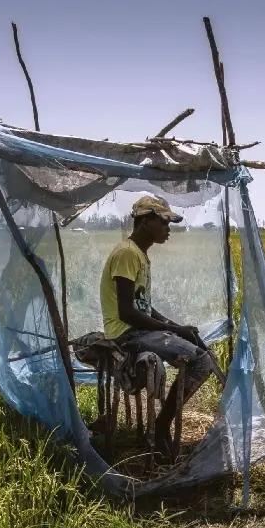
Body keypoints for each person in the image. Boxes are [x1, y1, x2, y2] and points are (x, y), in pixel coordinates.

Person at [99, 195, 220, 458]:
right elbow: (127, 313)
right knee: (200, 362)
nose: (168, 228)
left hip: (137, 330)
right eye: (164, 222)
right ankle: (162, 426)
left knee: (200, 349)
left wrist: (177, 326)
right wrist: (174, 332)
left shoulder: (138, 254)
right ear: (145, 221)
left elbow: (143, 306)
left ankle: (163, 423)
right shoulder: (127, 254)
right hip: (126, 334)